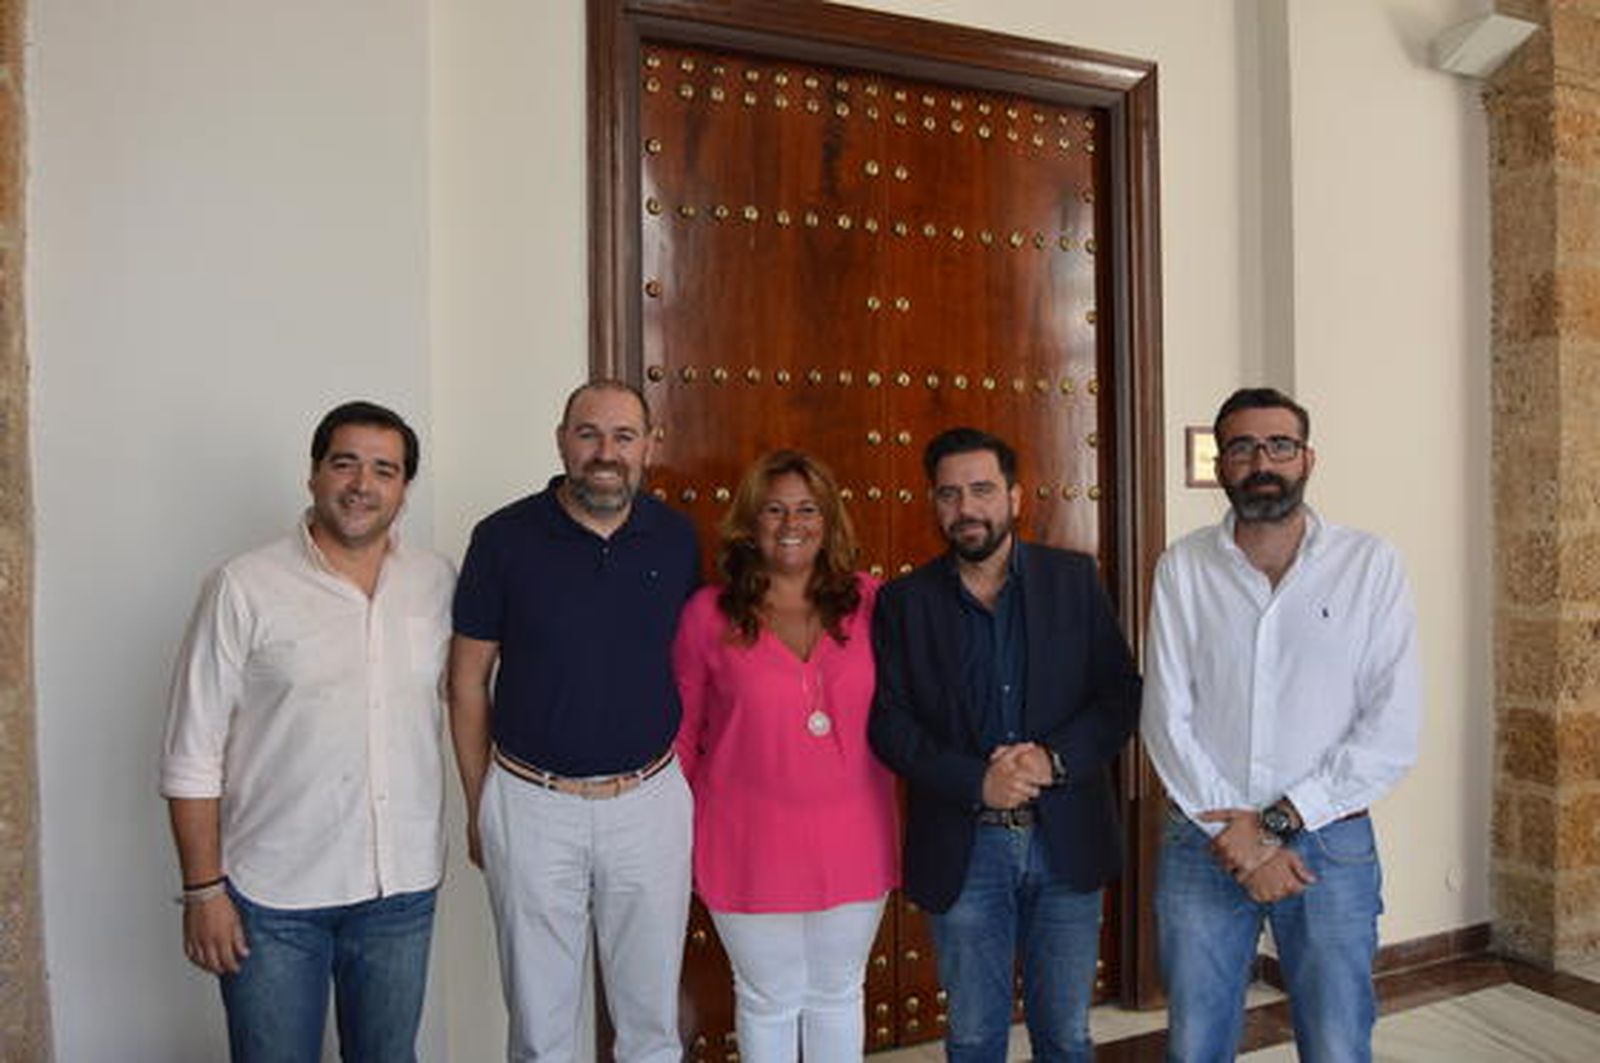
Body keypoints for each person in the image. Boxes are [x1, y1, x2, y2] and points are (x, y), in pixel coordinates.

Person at [160, 400, 454, 1062]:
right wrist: (203, 890)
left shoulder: (436, 582)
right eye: (344, 462)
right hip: (272, 898)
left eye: (385, 469)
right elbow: (191, 751)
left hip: (399, 891)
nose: (362, 484)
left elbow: (467, 701)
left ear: (404, 489)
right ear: (314, 474)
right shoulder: (243, 586)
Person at [1141, 387, 1422, 1063]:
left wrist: (1268, 828)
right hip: (1203, 845)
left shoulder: (1370, 565)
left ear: (1307, 458)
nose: (1260, 460)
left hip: (1331, 845)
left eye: (1278, 445)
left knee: (1337, 1043)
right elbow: (1165, 717)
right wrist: (1236, 837)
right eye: (1241, 447)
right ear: (1221, 464)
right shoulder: (1183, 567)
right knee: (1195, 1044)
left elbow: (1393, 725)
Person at [868, 427, 1141, 1063]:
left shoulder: (1074, 580)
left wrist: (1053, 759)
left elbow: (1119, 694)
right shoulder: (905, 603)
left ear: (1015, 498)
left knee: (1067, 1038)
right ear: (934, 504)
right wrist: (975, 779)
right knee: (972, 1039)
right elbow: (890, 722)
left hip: (1066, 839)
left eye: (983, 490)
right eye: (950, 494)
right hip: (965, 850)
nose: (967, 509)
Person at [449, 379, 699, 1063]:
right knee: (540, 1026)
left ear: (649, 446)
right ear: (562, 439)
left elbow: (698, 665)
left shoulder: (677, 540)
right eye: (588, 433)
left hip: (649, 801)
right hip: (532, 803)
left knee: (651, 1022)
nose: (605, 452)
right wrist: (480, 806)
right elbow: (466, 681)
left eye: (624, 436)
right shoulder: (502, 538)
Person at [672, 450, 899, 1062]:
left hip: (856, 834)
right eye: (774, 509)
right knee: (767, 998)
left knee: (837, 993)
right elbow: (684, 735)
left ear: (828, 522)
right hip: (745, 838)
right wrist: (672, 838)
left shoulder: (872, 602)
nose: (790, 523)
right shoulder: (705, 615)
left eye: (806, 509)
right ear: (750, 522)